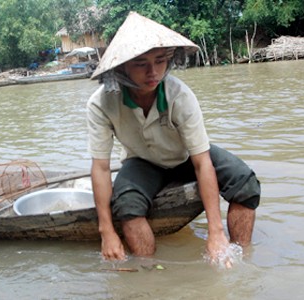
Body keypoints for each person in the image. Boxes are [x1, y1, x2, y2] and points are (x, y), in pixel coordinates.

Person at [86, 12, 261, 263]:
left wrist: (215, 232)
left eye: (160, 61)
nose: (153, 72)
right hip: (142, 161)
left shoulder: (179, 95)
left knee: (244, 183)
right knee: (126, 206)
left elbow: (202, 161)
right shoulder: (101, 103)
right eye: (140, 63)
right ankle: (149, 270)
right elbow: (101, 168)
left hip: (186, 156)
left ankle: (240, 254)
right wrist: (107, 232)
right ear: (122, 67)